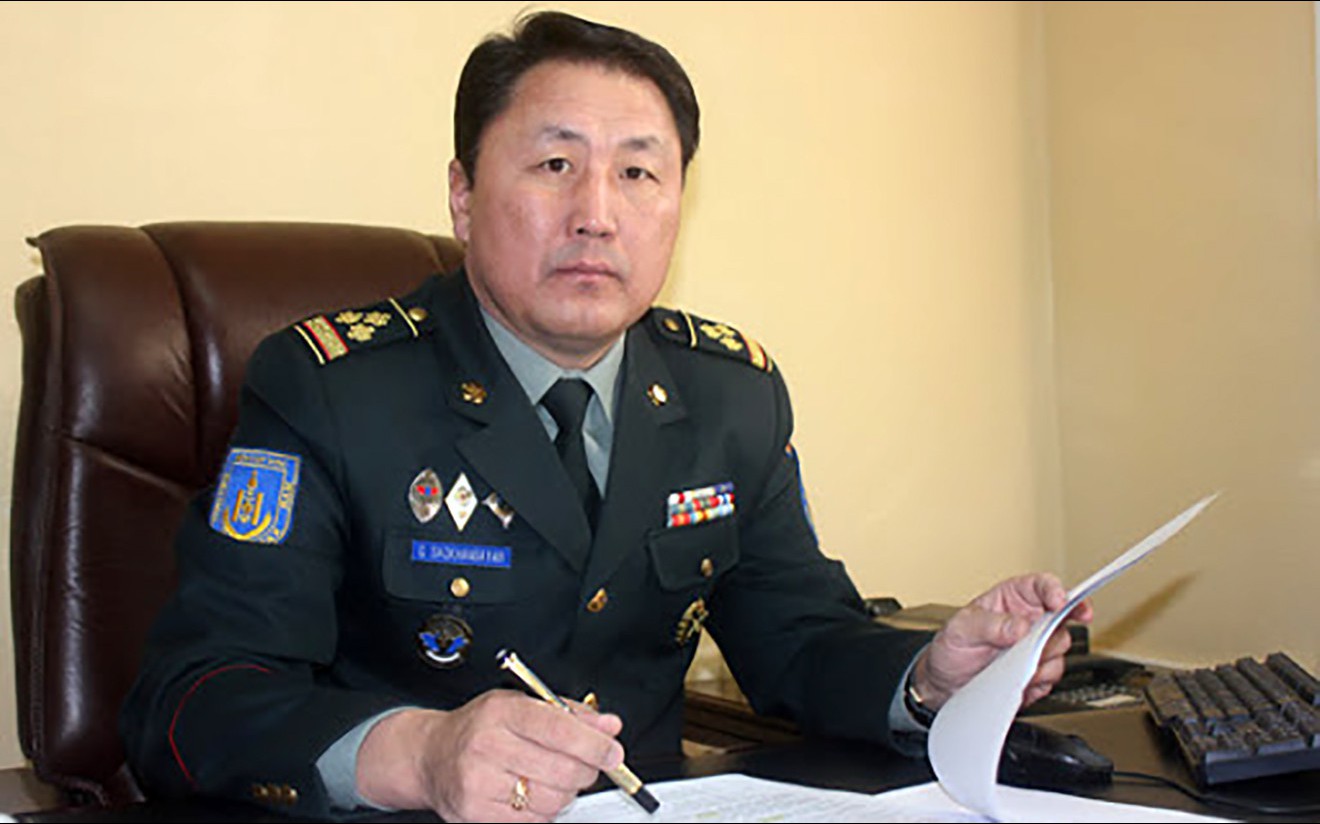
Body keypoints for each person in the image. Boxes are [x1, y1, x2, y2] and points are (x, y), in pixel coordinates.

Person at [120, 11, 1090, 822]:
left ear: (676, 202)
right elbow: (193, 699)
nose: (596, 212)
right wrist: (418, 751)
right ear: (463, 195)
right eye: (554, 164)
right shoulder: (331, 387)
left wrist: (928, 677)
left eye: (638, 173)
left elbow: (796, 640)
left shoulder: (729, 392)